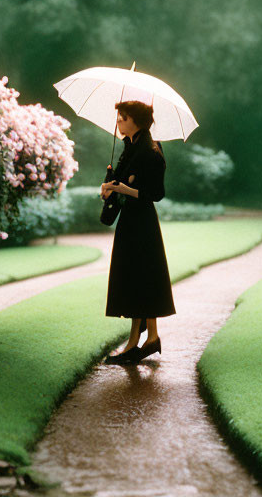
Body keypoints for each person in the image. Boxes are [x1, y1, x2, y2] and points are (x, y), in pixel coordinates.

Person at [100, 100, 175, 364]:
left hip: (142, 223)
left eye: (123, 117)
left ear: (136, 121)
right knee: (136, 278)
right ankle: (148, 338)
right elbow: (119, 183)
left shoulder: (151, 151)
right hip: (130, 222)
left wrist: (121, 189)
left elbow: (156, 194)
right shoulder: (130, 148)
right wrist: (108, 187)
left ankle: (139, 341)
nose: (118, 121)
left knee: (141, 277)